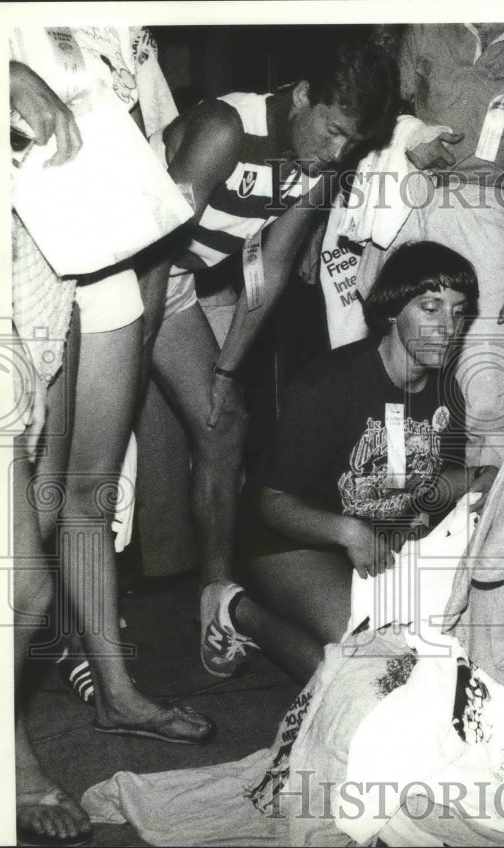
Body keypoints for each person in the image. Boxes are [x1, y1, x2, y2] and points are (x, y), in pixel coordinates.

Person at [137, 38, 399, 643]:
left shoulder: (316, 164)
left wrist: (226, 375)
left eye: (351, 144)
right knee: (88, 456)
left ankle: (216, 602)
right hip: (111, 278)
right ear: (303, 96)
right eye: (332, 131)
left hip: (170, 284)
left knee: (225, 426)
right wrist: (129, 366)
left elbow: (271, 269)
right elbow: (152, 253)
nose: (337, 153)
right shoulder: (227, 128)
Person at [9, 27, 216, 760]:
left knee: (89, 493)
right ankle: (12, 742)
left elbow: (149, 148)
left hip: (107, 253)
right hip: (28, 252)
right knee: (30, 501)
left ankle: (118, 693)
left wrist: (153, 279)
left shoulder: (129, 26)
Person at [200, 242, 495, 684]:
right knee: (369, 673)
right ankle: (236, 610)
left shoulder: (445, 390)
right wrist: (347, 530)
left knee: (439, 656)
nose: (447, 327)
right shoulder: (330, 385)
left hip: (376, 534)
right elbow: (270, 503)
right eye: (431, 308)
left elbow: (422, 485)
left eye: (458, 312)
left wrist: (485, 479)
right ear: (393, 311)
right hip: (295, 539)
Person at [356, 22, 504, 468]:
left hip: (481, 204)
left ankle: (489, 530)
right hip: (405, 191)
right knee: (392, 362)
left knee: (487, 380)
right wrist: (409, 140)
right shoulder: (428, 20)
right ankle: (389, 497)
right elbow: (376, 110)